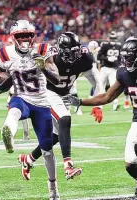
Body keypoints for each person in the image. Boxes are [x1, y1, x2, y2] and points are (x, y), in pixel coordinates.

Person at [65, 38, 137, 200]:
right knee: (130, 164)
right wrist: (80, 102)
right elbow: (107, 97)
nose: (126, 60)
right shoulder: (123, 73)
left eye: (130, 56)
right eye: (125, 56)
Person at [0, 20, 60, 200]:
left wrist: (43, 66)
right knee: (14, 108)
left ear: (33, 36)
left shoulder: (44, 49)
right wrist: (3, 81)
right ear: (13, 38)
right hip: (22, 97)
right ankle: (9, 135)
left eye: (27, 35)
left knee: (47, 149)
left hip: (42, 103)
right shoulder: (5, 53)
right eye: (21, 36)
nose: (25, 39)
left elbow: (57, 79)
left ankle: (53, 189)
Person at [18, 32, 104, 181]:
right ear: (62, 51)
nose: (76, 54)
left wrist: (98, 105)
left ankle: (29, 159)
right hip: (47, 93)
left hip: (64, 95)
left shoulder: (84, 57)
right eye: (72, 52)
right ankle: (68, 166)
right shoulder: (51, 56)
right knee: (65, 118)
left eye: (77, 50)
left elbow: (96, 80)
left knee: (58, 136)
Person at [97, 31, 122, 111]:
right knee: (101, 86)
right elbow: (99, 56)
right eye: (112, 38)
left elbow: (121, 57)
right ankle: (99, 104)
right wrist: (107, 58)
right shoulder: (105, 45)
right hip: (105, 68)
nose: (113, 40)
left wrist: (118, 62)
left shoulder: (119, 46)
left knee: (113, 87)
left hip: (114, 69)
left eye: (114, 38)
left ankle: (116, 103)